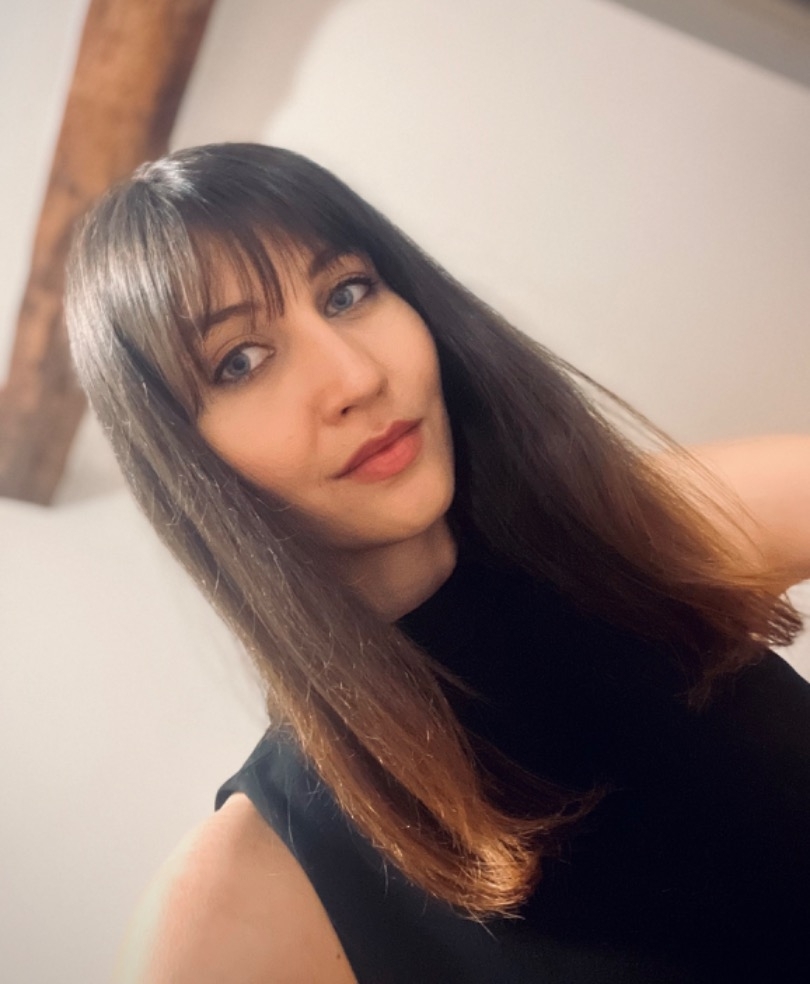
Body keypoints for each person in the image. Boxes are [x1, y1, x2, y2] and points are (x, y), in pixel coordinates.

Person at [65, 143, 809, 983]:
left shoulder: (644, 534)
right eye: (240, 361)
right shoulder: (241, 901)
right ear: (182, 461)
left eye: (347, 293)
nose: (356, 376)